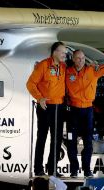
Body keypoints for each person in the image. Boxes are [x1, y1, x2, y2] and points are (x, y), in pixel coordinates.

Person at [65, 43, 104, 178]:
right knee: (71, 141)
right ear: (73, 59)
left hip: (87, 111)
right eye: (77, 58)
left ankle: (87, 170)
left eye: (82, 58)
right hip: (73, 111)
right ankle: (74, 170)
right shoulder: (67, 72)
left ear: (84, 59)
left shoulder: (92, 70)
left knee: (88, 142)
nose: (80, 60)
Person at [26, 41, 67, 177]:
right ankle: (38, 169)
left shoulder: (64, 66)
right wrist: (39, 98)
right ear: (54, 52)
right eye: (62, 52)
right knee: (42, 137)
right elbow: (30, 83)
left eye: (65, 52)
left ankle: (52, 169)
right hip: (45, 106)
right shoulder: (43, 65)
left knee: (57, 139)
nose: (64, 54)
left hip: (59, 107)